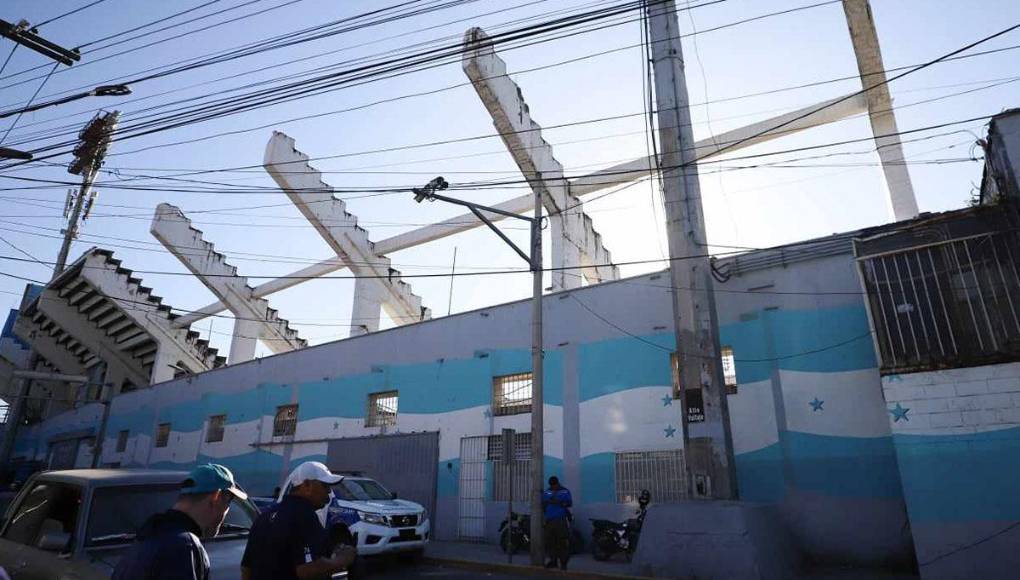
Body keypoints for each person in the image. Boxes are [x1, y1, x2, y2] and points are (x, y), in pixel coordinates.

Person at [112, 464, 246, 580]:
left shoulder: (147, 535)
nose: (227, 511)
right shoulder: (185, 546)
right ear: (215, 497)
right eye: (229, 500)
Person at [241, 461, 357, 580]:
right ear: (307, 485)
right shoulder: (304, 515)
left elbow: (246, 568)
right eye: (325, 485)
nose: (328, 492)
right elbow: (307, 570)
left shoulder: (264, 516)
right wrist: (342, 560)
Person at [542, 475, 573, 570]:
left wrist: (558, 502)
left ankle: (563, 563)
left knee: (562, 542)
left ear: (557, 483)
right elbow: (543, 503)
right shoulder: (547, 491)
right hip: (549, 520)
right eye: (551, 486)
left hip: (560, 520)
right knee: (550, 542)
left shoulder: (564, 491)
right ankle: (553, 561)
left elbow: (569, 503)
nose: (553, 487)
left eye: (554, 486)